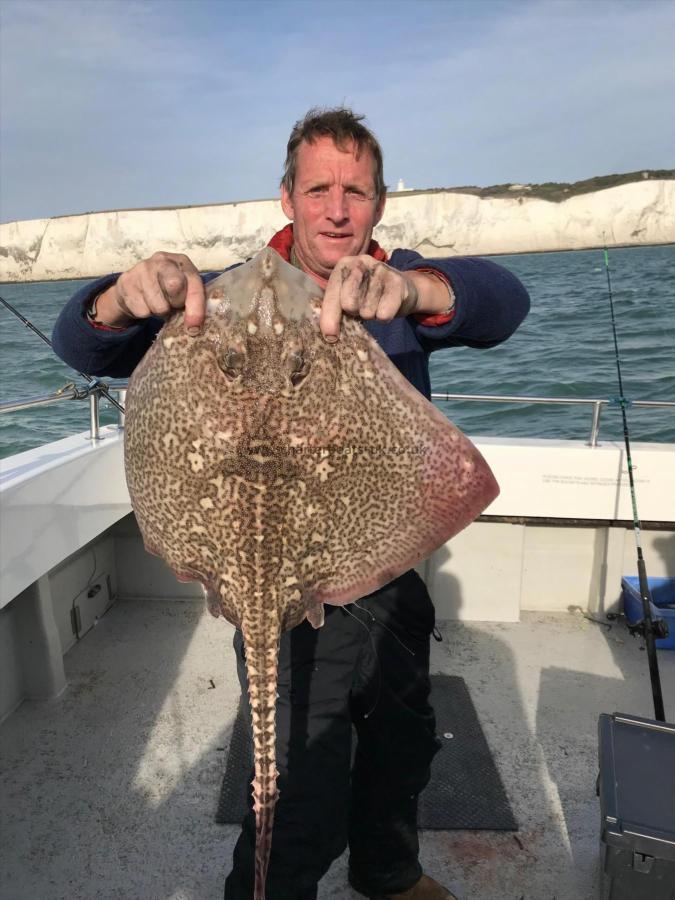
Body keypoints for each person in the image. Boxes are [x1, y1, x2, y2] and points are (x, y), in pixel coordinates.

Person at [52, 107, 530, 900]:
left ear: (377, 204)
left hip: (380, 560)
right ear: (287, 199)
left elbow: (503, 301)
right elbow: (85, 344)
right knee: (297, 774)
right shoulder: (217, 303)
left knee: (403, 739)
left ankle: (386, 873)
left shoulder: (390, 282)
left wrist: (410, 289)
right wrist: (115, 298)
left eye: (356, 191)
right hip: (266, 572)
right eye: (318, 189)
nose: (337, 209)